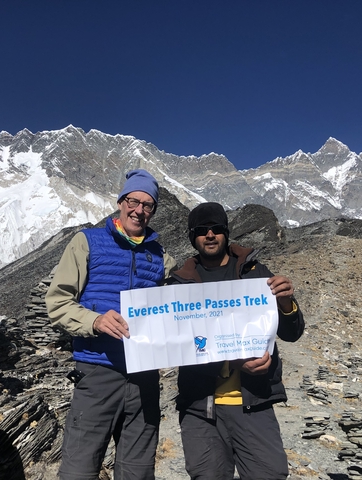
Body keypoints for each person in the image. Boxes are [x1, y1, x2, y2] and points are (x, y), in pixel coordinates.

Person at [45, 169, 176, 480]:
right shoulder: (87, 242)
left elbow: (187, 301)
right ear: (120, 202)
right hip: (97, 371)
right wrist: (95, 320)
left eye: (148, 205)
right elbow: (57, 303)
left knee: (138, 471)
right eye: (133, 201)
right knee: (79, 470)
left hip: (143, 376)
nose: (139, 210)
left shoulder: (160, 257)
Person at [168, 202, 304, 480]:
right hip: (200, 407)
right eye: (202, 230)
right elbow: (173, 344)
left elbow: (292, 333)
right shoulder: (179, 285)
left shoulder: (255, 273)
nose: (209, 235)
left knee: (269, 474)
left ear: (226, 233)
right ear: (192, 237)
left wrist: (287, 302)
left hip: (254, 401)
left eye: (216, 229)